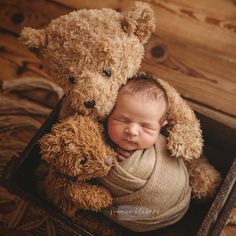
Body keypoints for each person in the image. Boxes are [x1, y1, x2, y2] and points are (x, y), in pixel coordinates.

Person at [100, 75, 191, 232]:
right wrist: (112, 160)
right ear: (109, 114)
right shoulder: (98, 139)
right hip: (131, 216)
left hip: (172, 205)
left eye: (147, 127)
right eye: (121, 120)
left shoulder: (165, 144)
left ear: (161, 126)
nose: (132, 131)